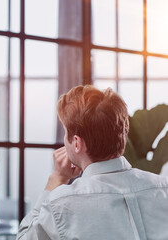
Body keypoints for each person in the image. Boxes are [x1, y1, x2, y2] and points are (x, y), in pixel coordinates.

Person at [17, 85, 168, 240]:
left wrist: (56, 179)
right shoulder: (164, 188)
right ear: (123, 134)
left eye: (65, 132)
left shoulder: (62, 204)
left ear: (76, 143)